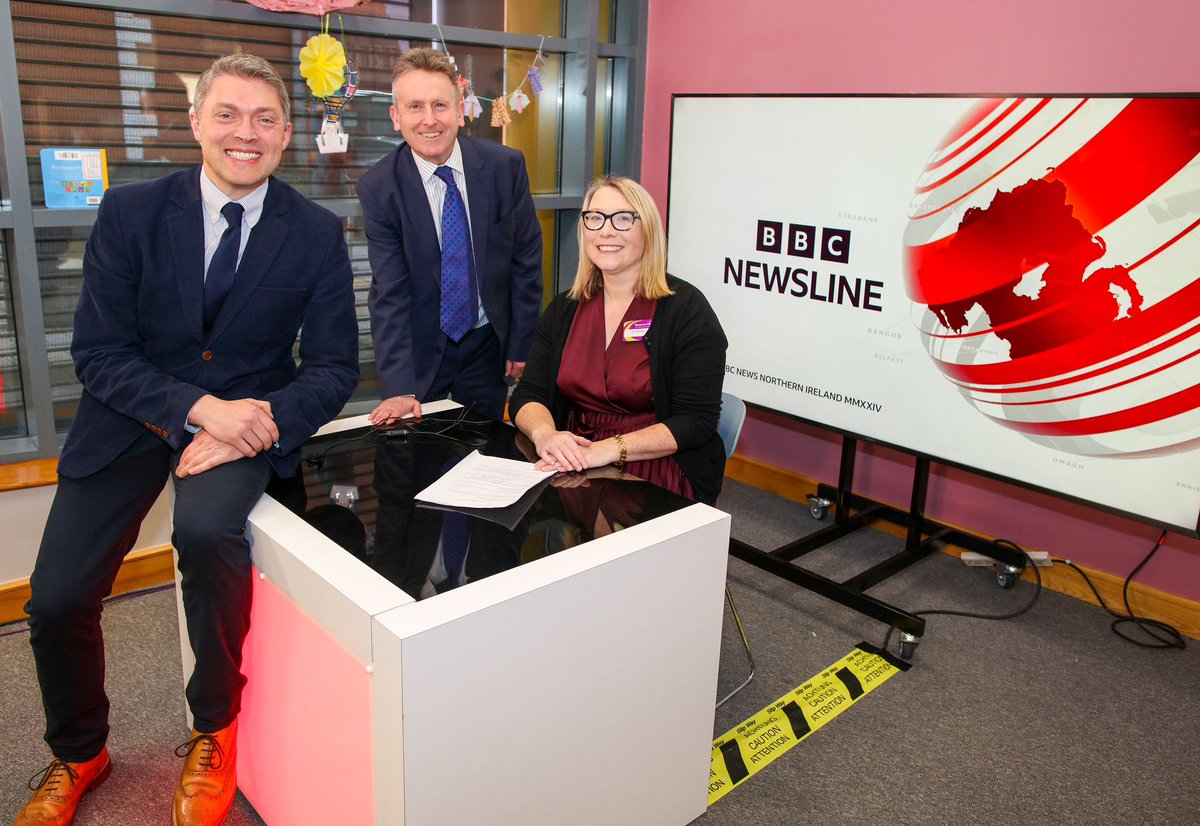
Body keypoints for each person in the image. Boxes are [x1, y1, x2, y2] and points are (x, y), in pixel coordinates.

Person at [15, 54, 359, 826]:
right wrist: (203, 408)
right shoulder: (131, 212)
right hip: (132, 415)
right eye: (229, 115)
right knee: (56, 597)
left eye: (265, 119)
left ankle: (214, 728)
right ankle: (79, 751)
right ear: (196, 123)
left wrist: (254, 422)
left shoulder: (314, 231)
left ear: (287, 134)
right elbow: (98, 354)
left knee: (208, 536)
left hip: (248, 424)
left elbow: (334, 367)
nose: (247, 133)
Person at [509, 176, 728, 505]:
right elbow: (529, 393)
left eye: (623, 219)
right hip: (574, 459)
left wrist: (607, 450)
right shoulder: (565, 308)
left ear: (648, 231)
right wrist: (546, 435)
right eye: (594, 218)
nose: (606, 231)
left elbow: (696, 421)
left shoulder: (686, 310)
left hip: (655, 465)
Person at [357, 46, 543, 424]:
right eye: (414, 107)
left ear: (460, 112)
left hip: (487, 345)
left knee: (486, 452)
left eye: (440, 105)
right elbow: (389, 292)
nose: (429, 120)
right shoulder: (379, 188)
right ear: (396, 117)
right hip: (421, 352)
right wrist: (397, 385)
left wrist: (522, 341)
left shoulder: (505, 167)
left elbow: (526, 259)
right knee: (416, 464)